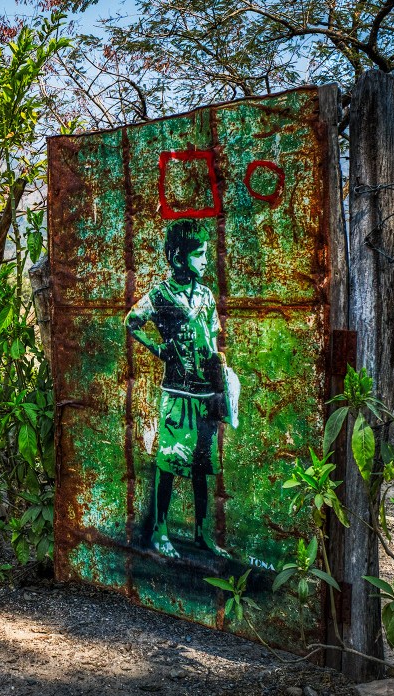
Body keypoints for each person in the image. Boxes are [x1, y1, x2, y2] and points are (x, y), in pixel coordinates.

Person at [125, 219, 237, 559]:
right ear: (177, 257)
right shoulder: (160, 295)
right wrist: (159, 350)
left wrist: (222, 377)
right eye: (199, 255)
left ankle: (202, 534)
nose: (205, 261)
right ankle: (160, 531)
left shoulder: (205, 296)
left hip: (206, 394)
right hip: (177, 393)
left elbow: (215, 339)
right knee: (171, 461)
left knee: (203, 465)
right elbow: (132, 321)